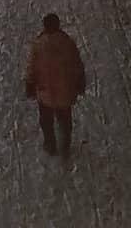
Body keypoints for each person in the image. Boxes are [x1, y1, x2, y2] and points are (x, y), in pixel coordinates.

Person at [25, 13, 86, 158]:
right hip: (65, 91)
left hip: (45, 92)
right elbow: (77, 65)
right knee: (65, 120)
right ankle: (65, 146)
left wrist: (29, 85)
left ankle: (50, 144)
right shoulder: (67, 43)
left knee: (46, 120)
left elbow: (31, 67)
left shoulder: (38, 45)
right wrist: (79, 83)